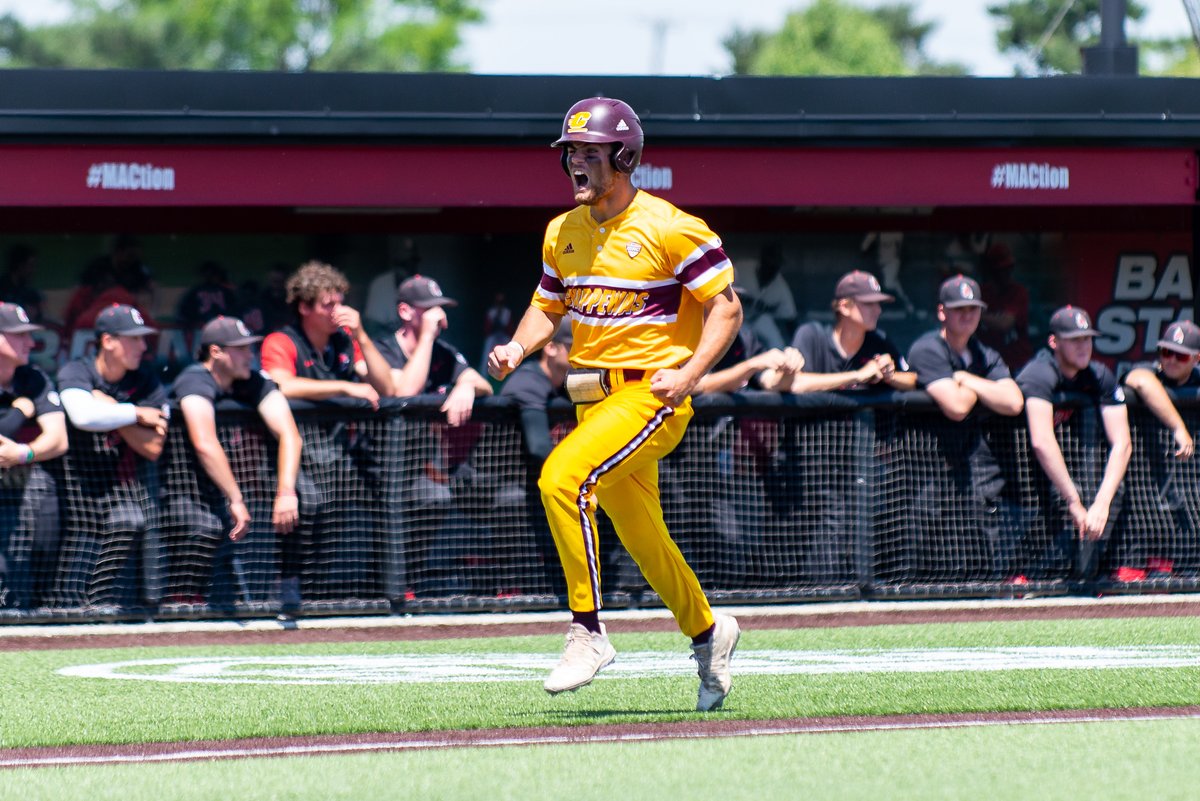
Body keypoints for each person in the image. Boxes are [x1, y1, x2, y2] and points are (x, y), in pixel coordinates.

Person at [487, 96, 742, 712]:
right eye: (569, 151)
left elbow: (727, 308)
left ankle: (588, 630)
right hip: (591, 401)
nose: (575, 161)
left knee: (559, 479)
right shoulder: (561, 231)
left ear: (623, 156)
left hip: (650, 393)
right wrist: (517, 348)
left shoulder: (672, 225)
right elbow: (546, 308)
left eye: (589, 152)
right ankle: (710, 632)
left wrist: (689, 373)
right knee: (640, 532)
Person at [169, 316, 302, 611]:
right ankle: (177, 610)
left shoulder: (252, 381)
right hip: (183, 491)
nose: (249, 355)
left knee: (304, 503)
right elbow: (204, 442)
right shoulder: (193, 378)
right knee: (204, 528)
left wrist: (286, 493)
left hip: (233, 493)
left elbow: (290, 435)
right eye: (240, 349)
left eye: (249, 348)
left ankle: (285, 596)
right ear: (216, 351)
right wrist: (235, 498)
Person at [905, 275, 1025, 579]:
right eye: (959, 308)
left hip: (974, 469)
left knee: (977, 548)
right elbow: (957, 408)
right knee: (929, 553)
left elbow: (1013, 402)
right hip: (929, 467)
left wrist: (967, 379)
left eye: (973, 308)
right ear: (942, 312)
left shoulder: (985, 353)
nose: (968, 315)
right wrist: (984, 389)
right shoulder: (927, 349)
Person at [56, 303, 169, 607]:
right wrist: (134, 413)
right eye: (134, 339)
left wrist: (115, 410)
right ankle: (64, 605)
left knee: (130, 521)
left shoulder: (146, 379)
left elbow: (153, 446)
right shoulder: (77, 370)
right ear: (108, 341)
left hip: (118, 487)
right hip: (73, 485)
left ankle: (97, 600)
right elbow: (83, 417)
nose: (143, 346)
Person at [1016, 306, 1132, 582]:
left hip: (1074, 470)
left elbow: (1123, 444)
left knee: (1110, 496)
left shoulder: (1099, 374)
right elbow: (1042, 441)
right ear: (1054, 342)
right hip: (1026, 476)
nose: (1083, 346)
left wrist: (1101, 503)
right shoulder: (1039, 372)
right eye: (1075, 339)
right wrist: (1074, 500)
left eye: (1087, 338)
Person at [1117, 319, 1200, 578]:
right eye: (1166, 352)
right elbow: (1139, 380)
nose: (1172, 360)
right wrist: (1178, 428)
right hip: (1145, 495)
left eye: (1181, 355)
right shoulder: (1148, 372)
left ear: (1196, 358)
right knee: (1131, 581)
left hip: (1190, 500)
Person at [498, 319, 573, 598]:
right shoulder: (527, 380)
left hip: (536, 482)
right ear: (551, 347)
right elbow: (539, 448)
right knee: (517, 499)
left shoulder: (571, 384)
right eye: (573, 346)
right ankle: (515, 589)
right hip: (493, 482)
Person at [0, 303, 67, 608]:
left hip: (19, 480)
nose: (30, 342)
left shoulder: (33, 378)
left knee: (43, 540)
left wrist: (23, 453)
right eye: (19, 335)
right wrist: (20, 411)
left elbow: (58, 438)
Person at [260, 261, 393, 405]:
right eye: (328, 305)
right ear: (304, 308)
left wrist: (361, 336)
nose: (338, 311)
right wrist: (345, 387)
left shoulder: (346, 338)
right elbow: (283, 386)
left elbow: (386, 388)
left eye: (340, 303)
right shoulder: (280, 341)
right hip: (303, 426)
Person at [376, 274, 493, 424]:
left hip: (426, 445)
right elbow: (405, 393)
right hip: (386, 444)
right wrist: (426, 337)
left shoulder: (443, 351)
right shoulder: (383, 349)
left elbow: (485, 386)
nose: (440, 315)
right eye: (430, 308)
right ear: (404, 311)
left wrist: (467, 385)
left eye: (440, 308)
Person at [780, 271, 917, 393]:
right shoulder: (812, 336)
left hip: (863, 422)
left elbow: (913, 380)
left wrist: (890, 376)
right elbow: (794, 383)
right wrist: (857, 375)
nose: (878, 310)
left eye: (878, 304)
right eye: (869, 304)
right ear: (844, 307)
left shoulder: (879, 341)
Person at [978, 243, 1034, 372]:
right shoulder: (981, 293)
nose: (1006, 273)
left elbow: (1005, 324)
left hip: (1018, 362)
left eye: (1008, 268)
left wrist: (978, 315)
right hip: (988, 362)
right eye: (1001, 269)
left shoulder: (1018, 292)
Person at [364, 237, 421, 335]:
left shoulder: (422, 284)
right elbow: (372, 326)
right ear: (395, 263)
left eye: (412, 263)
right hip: (384, 343)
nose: (408, 268)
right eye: (403, 264)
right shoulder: (380, 284)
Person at [174, 261, 241, 332]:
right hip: (211, 329)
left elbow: (184, 314)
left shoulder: (196, 291)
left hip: (209, 329)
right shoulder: (225, 291)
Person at [0, 245, 45, 323]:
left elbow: (38, 315)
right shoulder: (2, 286)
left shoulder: (29, 291)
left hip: (25, 327)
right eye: (30, 265)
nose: (33, 270)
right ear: (19, 265)